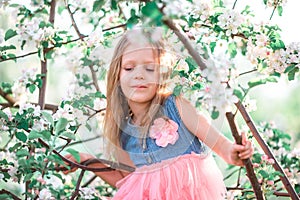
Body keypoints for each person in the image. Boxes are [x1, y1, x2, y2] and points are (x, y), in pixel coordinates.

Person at [65, 28, 254, 200]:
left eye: (150, 68)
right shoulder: (124, 131)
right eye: (129, 68)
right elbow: (129, 181)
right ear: (117, 74)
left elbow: (217, 142)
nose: (139, 75)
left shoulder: (177, 107)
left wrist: (232, 152)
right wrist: (87, 160)